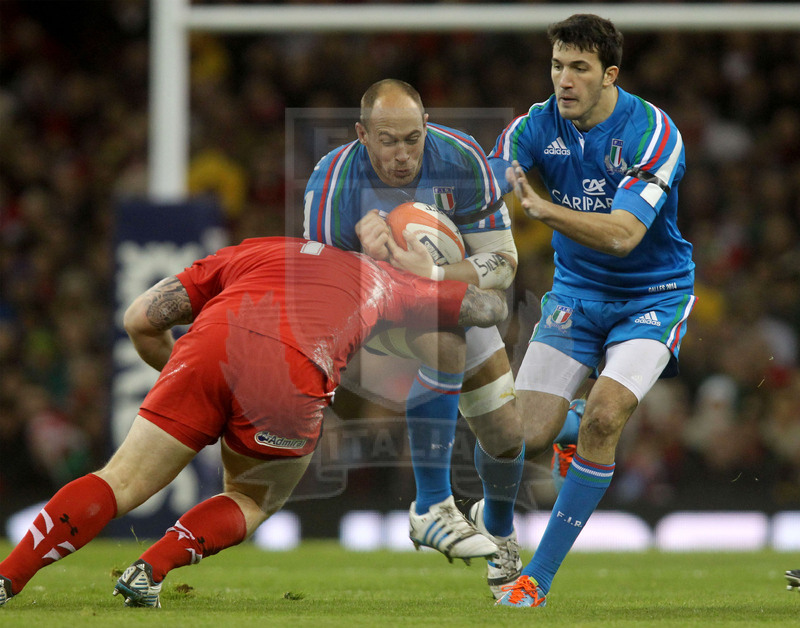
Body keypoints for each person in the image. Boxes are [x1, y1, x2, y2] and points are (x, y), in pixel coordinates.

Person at [0, 235, 509, 608]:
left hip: (206, 349)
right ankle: (149, 569)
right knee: (251, 498)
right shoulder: (391, 279)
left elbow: (139, 318)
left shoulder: (258, 248)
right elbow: (488, 309)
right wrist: (445, 274)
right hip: (292, 371)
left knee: (119, 481)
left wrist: (183, 378)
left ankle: (7, 577)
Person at [487, 14, 696, 607]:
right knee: (517, 436)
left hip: (653, 298)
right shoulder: (536, 123)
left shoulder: (654, 131)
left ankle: (536, 579)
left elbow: (625, 235)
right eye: (557, 66)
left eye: (579, 68)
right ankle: (566, 430)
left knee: (608, 414)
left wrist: (545, 211)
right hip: (575, 296)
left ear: (610, 75)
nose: (564, 80)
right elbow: (490, 181)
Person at [304, 79, 524, 594]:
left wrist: (433, 275)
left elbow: (505, 263)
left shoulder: (462, 159)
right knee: (444, 337)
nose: (402, 155)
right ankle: (433, 504)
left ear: (426, 127)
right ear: (362, 134)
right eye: (387, 141)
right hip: (371, 311)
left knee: (508, 437)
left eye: (412, 138)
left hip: (441, 289)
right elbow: (321, 298)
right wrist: (366, 265)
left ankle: (500, 527)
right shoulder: (332, 181)